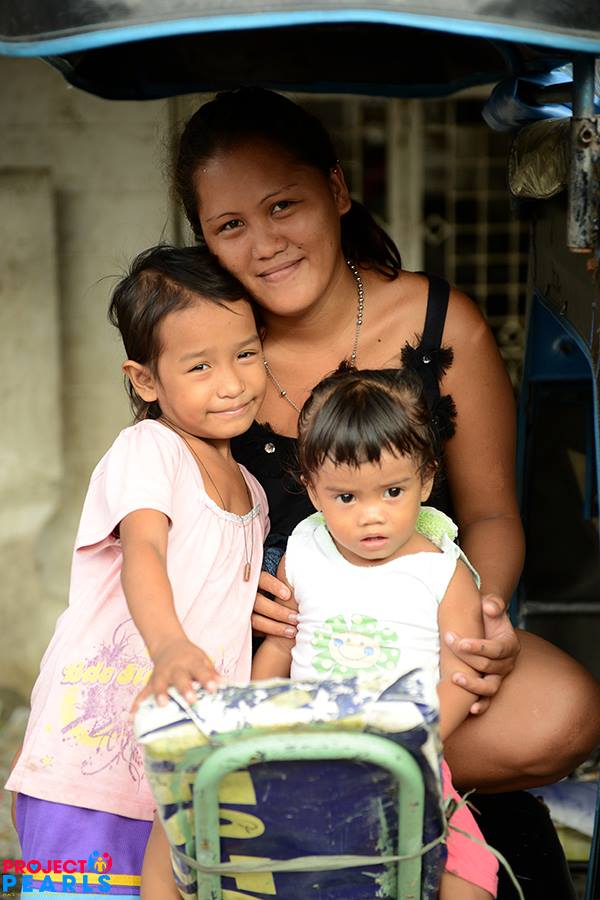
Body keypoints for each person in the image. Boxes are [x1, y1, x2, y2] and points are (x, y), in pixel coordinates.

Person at [173, 86, 600, 895]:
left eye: (283, 205)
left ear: (336, 190)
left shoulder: (442, 322)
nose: (265, 243)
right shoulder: (205, 350)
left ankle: (336, 787)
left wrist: (477, 617)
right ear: (206, 239)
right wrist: (236, 597)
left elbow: (491, 513)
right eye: (230, 225)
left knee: (566, 709)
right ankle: (349, 794)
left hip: (413, 637)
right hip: (268, 655)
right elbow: (165, 520)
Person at [6, 244, 269, 899]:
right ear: (146, 381)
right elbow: (144, 549)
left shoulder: (255, 493)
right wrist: (170, 645)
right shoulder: (151, 450)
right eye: (200, 365)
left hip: (180, 769)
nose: (232, 382)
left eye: (245, 354)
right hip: (87, 769)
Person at [252, 365, 499, 899]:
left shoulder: (443, 571)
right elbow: (280, 644)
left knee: (471, 873)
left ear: (425, 480)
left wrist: (411, 745)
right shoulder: (305, 551)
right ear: (312, 489)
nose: (372, 517)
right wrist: (253, 724)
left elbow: (460, 678)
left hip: (403, 753)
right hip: (308, 748)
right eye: (346, 497)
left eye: (392, 491)